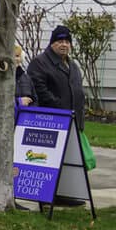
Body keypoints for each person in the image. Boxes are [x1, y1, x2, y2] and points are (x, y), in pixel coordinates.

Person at [27, 24, 87, 206]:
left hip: (73, 120)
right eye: (60, 41)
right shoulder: (40, 62)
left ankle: (64, 193)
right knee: (50, 161)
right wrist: (58, 106)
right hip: (53, 120)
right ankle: (47, 195)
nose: (64, 45)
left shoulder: (72, 65)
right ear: (52, 43)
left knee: (68, 160)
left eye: (67, 41)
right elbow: (39, 89)